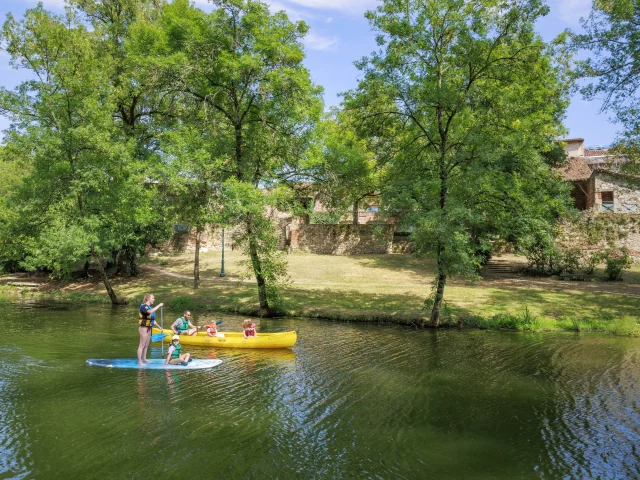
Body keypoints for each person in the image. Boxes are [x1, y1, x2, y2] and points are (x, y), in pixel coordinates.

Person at [138, 293, 164, 366]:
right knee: (142, 345)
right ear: (148, 299)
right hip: (143, 328)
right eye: (153, 298)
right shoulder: (144, 306)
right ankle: (140, 362)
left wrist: (159, 327)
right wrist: (159, 305)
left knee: (146, 345)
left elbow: (153, 320)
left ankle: (144, 359)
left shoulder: (150, 307)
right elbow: (149, 312)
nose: (154, 299)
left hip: (149, 327)